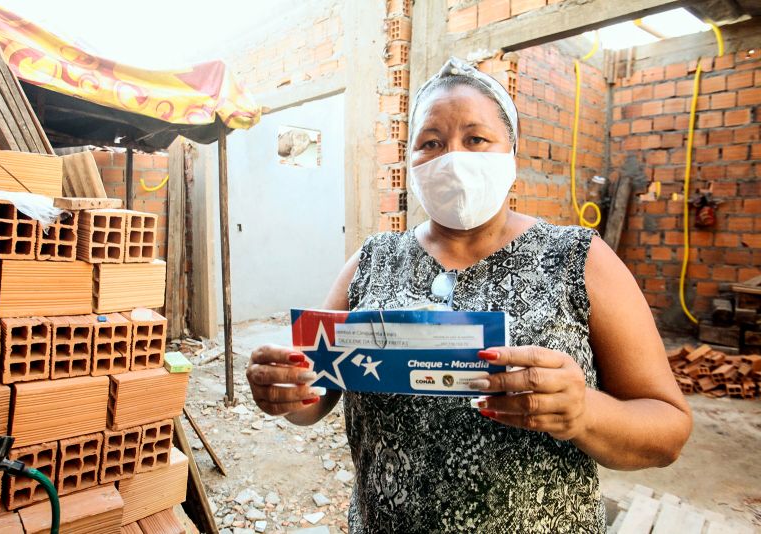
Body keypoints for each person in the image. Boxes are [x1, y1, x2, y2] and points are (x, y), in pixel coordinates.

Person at [246, 57, 692, 533]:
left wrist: (584, 413)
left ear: (511, 152)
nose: (451, 158)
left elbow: (667, 431)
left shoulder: (579, 259)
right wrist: (285, 391)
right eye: (430, 143)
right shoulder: (371, 261)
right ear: (410, 159)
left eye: (476, 139)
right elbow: (315, 396)